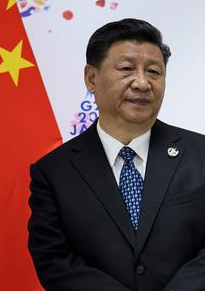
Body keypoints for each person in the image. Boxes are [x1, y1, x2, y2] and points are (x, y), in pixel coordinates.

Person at [28, 18, 205, 291]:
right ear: (91, 78)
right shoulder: (53, 173)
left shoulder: (199, 155)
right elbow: (54, 259)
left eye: (154, 72)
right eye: (126, 69)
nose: (142, 83)